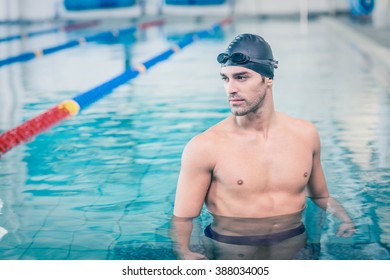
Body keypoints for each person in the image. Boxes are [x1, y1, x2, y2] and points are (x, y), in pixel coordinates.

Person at [170, 33, 355, 260]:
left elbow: (320, 197)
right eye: (225, 79)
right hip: (233, 256)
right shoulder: (204, 146)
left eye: (241, 77)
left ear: (268, 79)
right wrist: (184, 252)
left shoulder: (306, 135)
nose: (230, 88)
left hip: (293, 254)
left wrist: (344, 218)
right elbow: (183, 218)